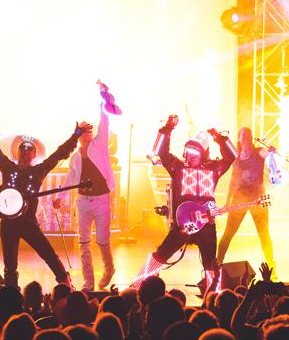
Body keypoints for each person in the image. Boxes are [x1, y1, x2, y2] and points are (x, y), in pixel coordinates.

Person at [0, 104, 91, 288]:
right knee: (10, 266)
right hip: (9, 223)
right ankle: (11, 294)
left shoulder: (38, 171)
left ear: (34, 154)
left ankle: (65, 284)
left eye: (29, 149)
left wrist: (75, 136)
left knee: (49, 255)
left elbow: (59, 155)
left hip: (28, 223)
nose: (25, 151)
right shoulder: (7, 166)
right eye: (22, 148)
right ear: (17, 152)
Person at [132, 119, 237, 290]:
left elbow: (232, 155)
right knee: (161, 255)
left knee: (210, 265)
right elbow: (161, 152)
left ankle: (213, 298)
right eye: (187, 152)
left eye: (193, 152)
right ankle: (138, 286)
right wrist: (167, 129)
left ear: (203, 153)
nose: (188, 156)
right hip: (183, 226)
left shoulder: (214, 169)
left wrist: (219, 138)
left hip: (206, 226)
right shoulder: (178, 168)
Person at [53, 100, 118, 291]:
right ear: (79, 135)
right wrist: (60, 197)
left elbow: (105, 125)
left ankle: (109, 269)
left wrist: (103, 105)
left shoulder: (99, 145)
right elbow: (70, 179)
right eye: (84, 131)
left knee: (102, 240)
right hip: (82, 201)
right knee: (83, 242)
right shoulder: (75, 157)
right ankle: (88, 280)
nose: (87, 134)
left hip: (101, 200)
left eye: (90, 130)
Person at [217, 127, 275, 274]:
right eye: (243, 134)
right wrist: (227, 201)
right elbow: (232, 181)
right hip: (239, 197)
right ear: (239, 139)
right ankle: (216, 266)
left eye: (248, 134)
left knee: (264, 235)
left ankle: (272, 270)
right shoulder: (236, 158)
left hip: (258, 198)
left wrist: (272, 151)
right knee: (228, 233)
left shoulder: (258, 152)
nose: (246, 136)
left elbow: (266, 153)